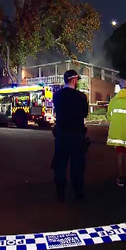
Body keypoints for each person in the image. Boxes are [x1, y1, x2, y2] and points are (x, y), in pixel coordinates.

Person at [51, 70, 89, 201]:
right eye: (77, 80)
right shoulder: (81, 97)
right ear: (74, 80)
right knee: (77, 164)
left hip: (61, 134)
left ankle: (60, 191)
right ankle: (78, 192)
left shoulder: (57, 95)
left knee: (60, 163)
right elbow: (85, 114)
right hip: (77, 135)